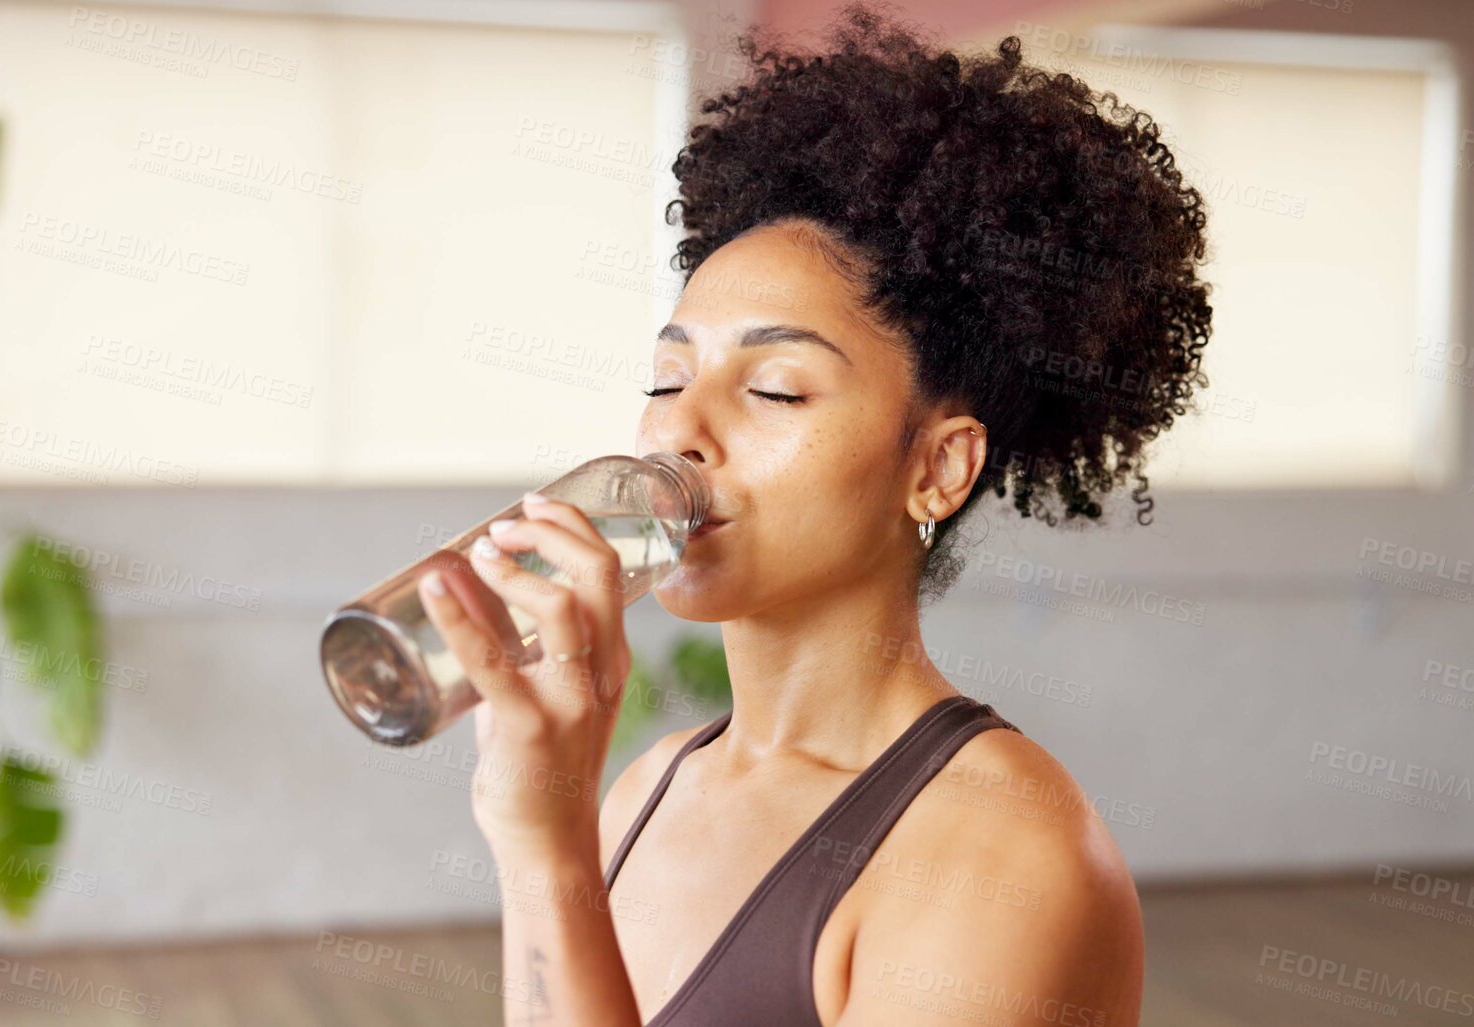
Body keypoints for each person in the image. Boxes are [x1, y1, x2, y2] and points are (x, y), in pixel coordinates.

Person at [416, 4, 1211, 1023]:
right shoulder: (654, 786)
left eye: (776, 388)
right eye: (667, 378)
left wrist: (543, 853)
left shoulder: (1002, 855)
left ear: (937, 467)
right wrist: (548, 835)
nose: (676, 434)